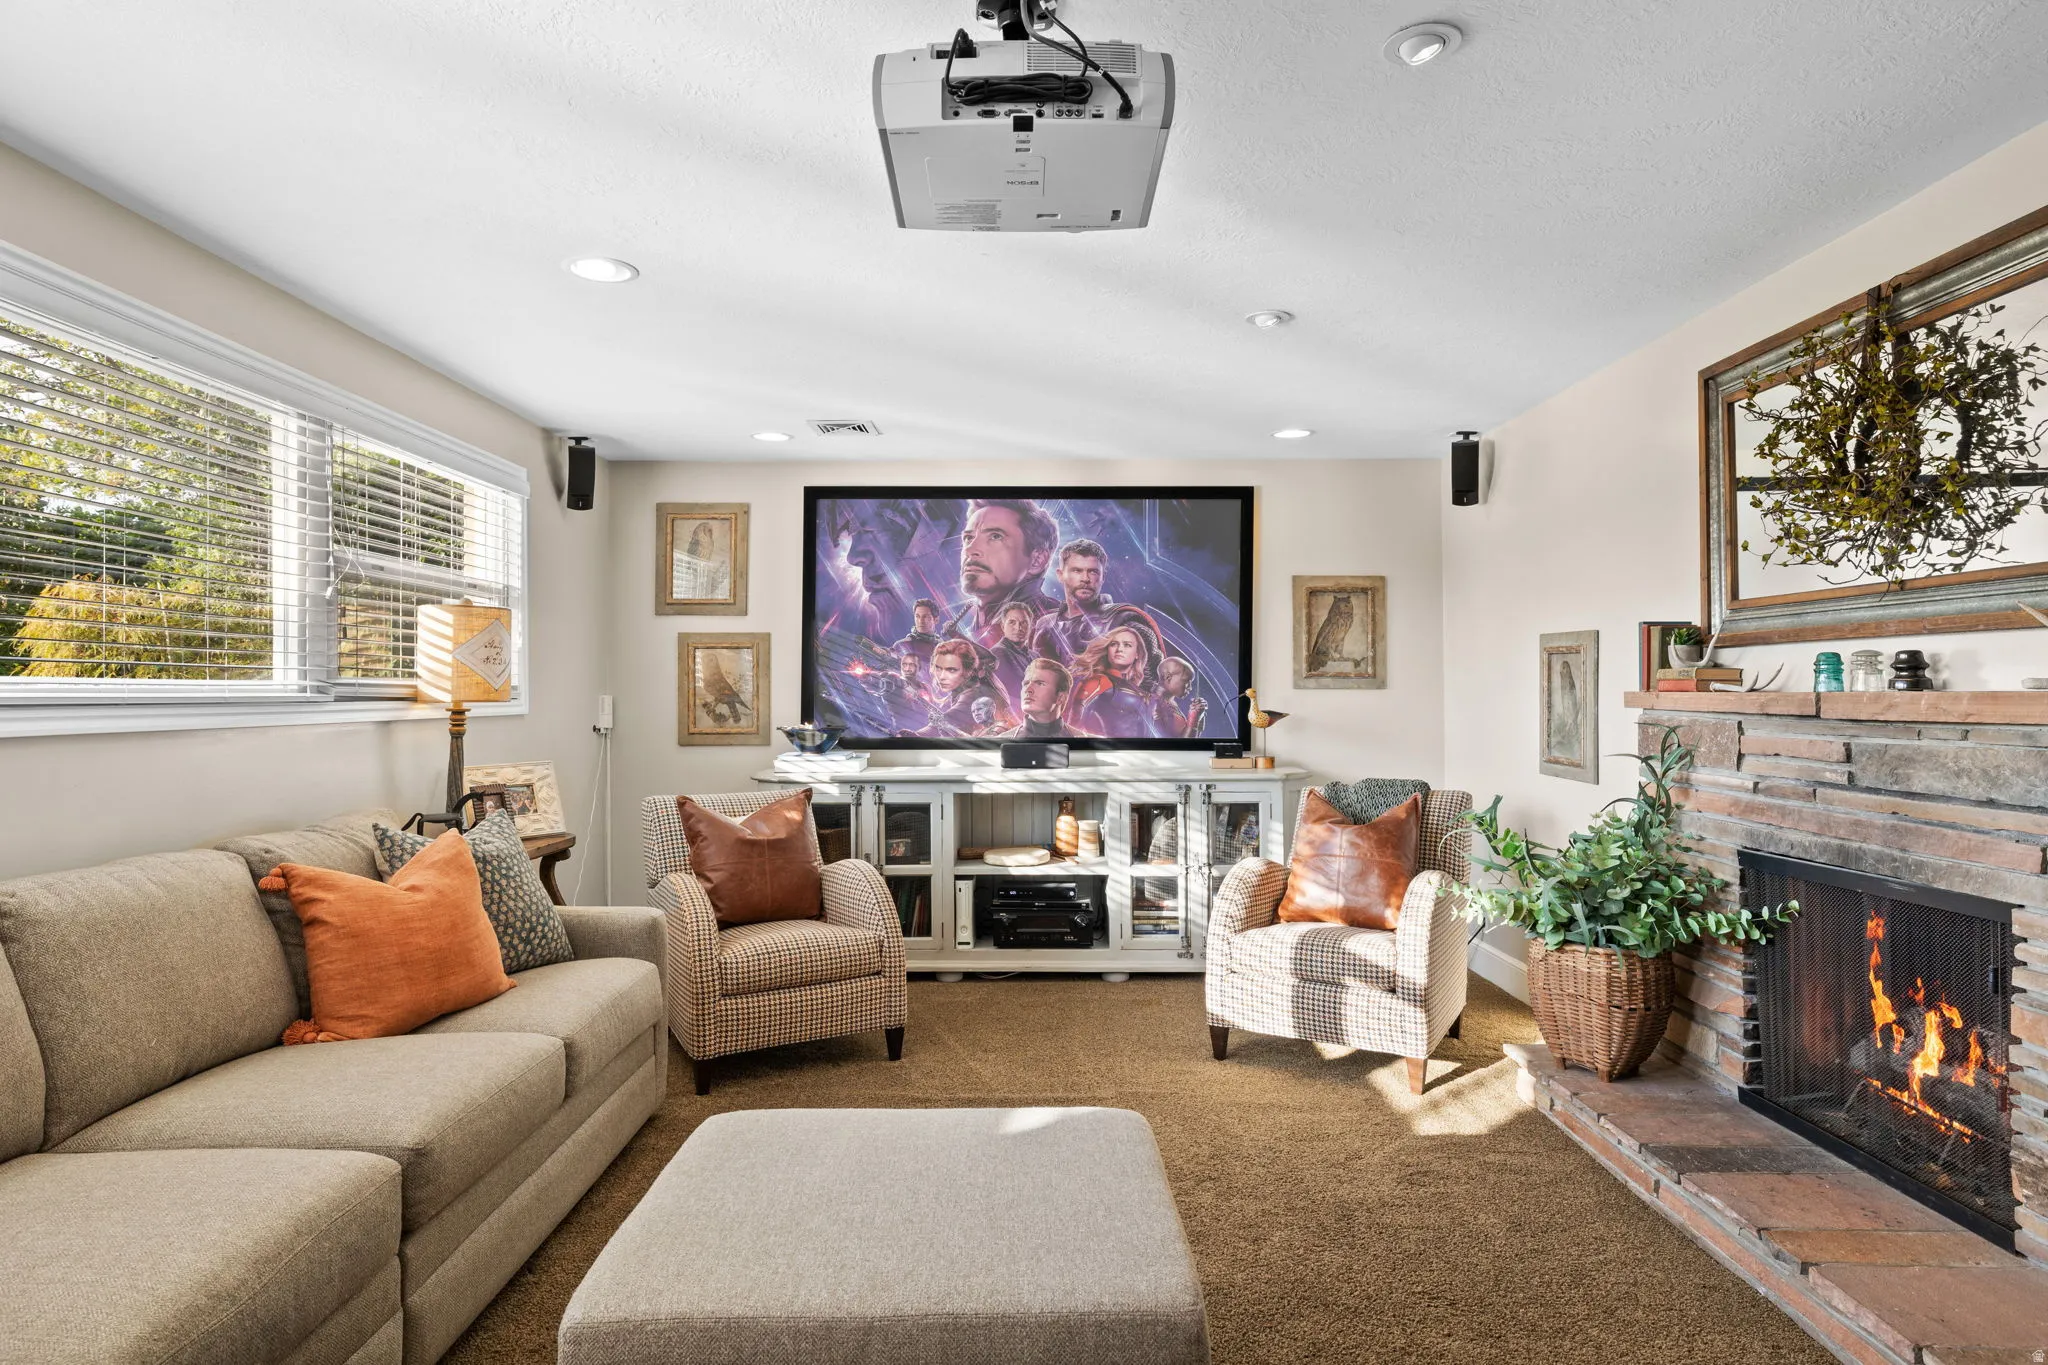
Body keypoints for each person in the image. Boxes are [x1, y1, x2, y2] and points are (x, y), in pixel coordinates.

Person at [946, 498, 1063, 648]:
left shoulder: (1054, 628)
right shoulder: (972, 626)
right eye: (968, 538)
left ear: (1037, 560)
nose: (970, 550)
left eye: (995, 536)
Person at [1069, 620, 1166, 739]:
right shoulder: (1100, 680)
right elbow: (1073, 724)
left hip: (1140, 753)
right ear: (1107, 650)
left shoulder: (1138, 689)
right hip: (1108, 752)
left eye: (1127, 645)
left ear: (1137, 654)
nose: (1119, 649)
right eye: (1113, 644)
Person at [1031, 537, 1112, 665]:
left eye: (1093, 572)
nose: (1085, 578)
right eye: (1077, 571)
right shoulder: (1045, 624)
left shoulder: (1120, 620)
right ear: (1060, 575)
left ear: (1103, 577)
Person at [912, 638, 1013, 738]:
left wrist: (916, 735)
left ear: (967, 671)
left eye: (951, 670)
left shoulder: (973, 693)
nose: (942, 677)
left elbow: (952, 717)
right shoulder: (959, 690)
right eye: (938, 668)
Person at [998, 658, 1085, 740]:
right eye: (1026, 683)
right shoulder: (1000, 743)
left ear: (1060, 697)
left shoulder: (1085, 743)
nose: (1028, 689)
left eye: (1040, 683)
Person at [989, 600, 1037, 704]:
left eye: (1024, 623)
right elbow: (1018, 689)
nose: (1018, 628)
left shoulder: (1035, 656)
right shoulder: (997, 653)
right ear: (1002, 626)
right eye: (1012, 622)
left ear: (1031, 626)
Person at [1155, 655, 1209, 739]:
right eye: (1186, 681)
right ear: (1168, 677)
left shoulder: (1170, 703)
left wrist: (1199, 716)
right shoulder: (1155, 705)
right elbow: (1179, 745)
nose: (1190, 688)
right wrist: (1194, 718)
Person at [891, 598, 943, 672]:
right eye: (917, 616)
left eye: (925, 616)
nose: (920, 621)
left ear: (936, 620)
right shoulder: (902, 645)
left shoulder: (941, 647)